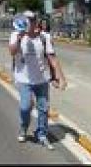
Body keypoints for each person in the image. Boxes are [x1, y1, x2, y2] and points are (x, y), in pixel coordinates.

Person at [9, 10, 67, 150]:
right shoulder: (16, 35)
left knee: (43, 108)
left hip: (42, 79)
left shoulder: (44, 37)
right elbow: (11, 51)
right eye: (25, 20)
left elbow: (52, 58)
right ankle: (24, 127)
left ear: (35, 22)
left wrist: (61, 77)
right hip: (24, 80)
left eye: (30, 20)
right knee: (25, 107)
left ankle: (42, 134)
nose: (27, 23)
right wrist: (20, 37)